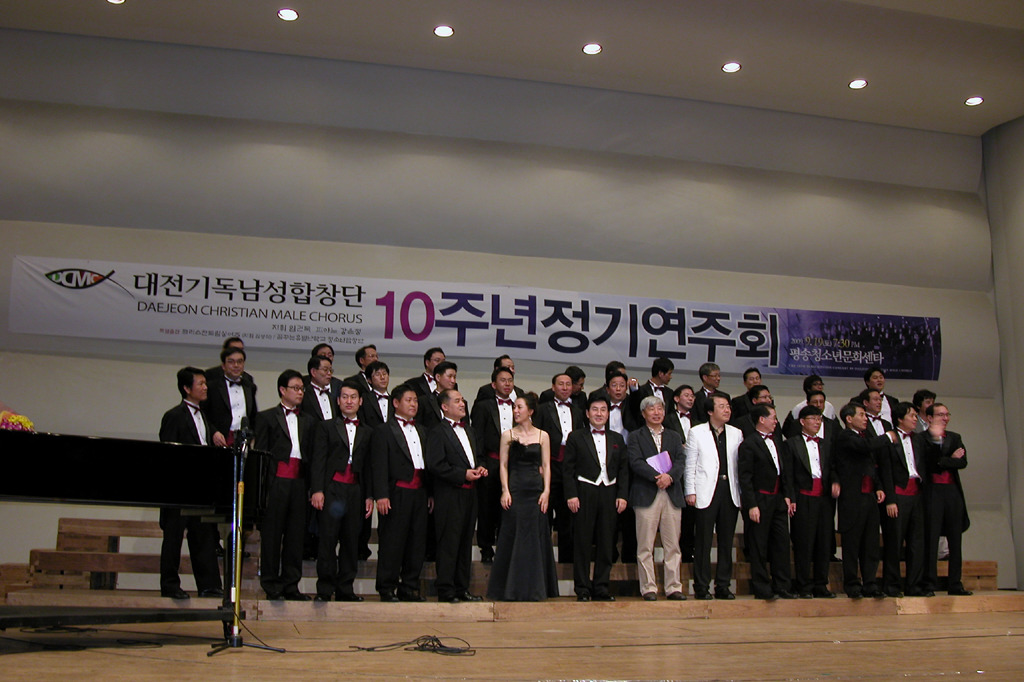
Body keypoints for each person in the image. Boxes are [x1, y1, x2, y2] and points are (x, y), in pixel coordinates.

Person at [157, 367, 223, 600]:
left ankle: (209, 585)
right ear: (186, 388)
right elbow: (167, 454)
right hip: (179, 488)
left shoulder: (204, 416)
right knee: (173, 538)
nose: (205, 387)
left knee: (203, 535)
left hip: (201, 488)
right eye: (200, 384)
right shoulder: (174, 416)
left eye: (206, 383)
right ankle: (170, 585)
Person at [487, 392, 560, 601]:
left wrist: (546, 491)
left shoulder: (542, 435)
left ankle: (536, 588)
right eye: (514, 407)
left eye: (519, 407)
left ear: (531, 411)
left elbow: (546, 465)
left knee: (535, 536)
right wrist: (505, 490)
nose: (515, 411)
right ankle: (510, 588)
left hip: (536, 490)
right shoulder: (508, 435)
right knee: (513, 534)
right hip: (516, 489)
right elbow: (503, 465)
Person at [254, 370, 314, 600]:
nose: (300, 392)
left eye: (302, 389)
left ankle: (291, 584)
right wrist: (263, 490)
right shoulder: (267, 417)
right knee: (272, 535)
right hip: (276, 482)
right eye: (295, 388)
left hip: (299, 482)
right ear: (282, 390)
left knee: (296, 535)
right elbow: (261, 455)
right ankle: (271, 584)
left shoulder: (308, 420)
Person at [310, 381, 372, 601]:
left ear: (360, 401)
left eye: (353, 397)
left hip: (355, 490)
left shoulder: (367, 431)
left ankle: (346, 588)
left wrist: (369, 495)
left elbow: (369, 467)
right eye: (344, 397)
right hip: (332, 488)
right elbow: (318, 460)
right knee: (327, 539)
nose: (349, 401)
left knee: (351, 540)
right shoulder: (326, 427)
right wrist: (317, 490)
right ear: (337, 400)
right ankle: (325, 589)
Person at [564, 395, 629, 601]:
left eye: (603, 410)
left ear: (608, 414)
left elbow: (623, 470)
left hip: (610, 492)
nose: (599, 414)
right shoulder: (576, 437)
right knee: (582, 542)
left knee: (607, 542)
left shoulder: (617, 438)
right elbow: (568, 470)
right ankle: (582, 589)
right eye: (595, 409)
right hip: (585, 491)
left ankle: (601, 588)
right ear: (587, 413)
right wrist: (571, 494)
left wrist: (622, 495)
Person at [426, 389, 488, 603]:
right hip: (449, 494)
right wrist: (463, 474)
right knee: (449, 543)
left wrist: (481, 467)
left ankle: (462, 588)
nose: (462, 404)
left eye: (463, 400)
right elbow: (436, 465)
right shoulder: (437, 431)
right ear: (444, 407)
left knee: (464, 542)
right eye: (457, 401)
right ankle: (446, 589)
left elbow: (478, 456)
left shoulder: (469, 430)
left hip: (470, 494)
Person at [372, 384, 430, 602]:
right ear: (395, 403)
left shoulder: (422, 430)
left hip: (420, 492)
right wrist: (381, 495)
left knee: (417, 542)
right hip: (396, 492)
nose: (413, 404)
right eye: (409, 400)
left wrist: (430, 493)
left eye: (415, 400)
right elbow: (378, 465)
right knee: (392, 541)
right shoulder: (384, 430)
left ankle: (409, 586)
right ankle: (387, 586)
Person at [833, 401, 895, 599]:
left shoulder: (865, 436)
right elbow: (864, 447)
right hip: (852, 498)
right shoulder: (845, 436)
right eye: (861, 414)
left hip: (869, 497)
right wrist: (887, 436)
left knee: (871, 543)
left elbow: (871, 466)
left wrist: (879, 487)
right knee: (852, 544)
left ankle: (870, 583)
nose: (865, 418)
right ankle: (852, 584)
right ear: (849, 419)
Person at [627, 395, 687, 601]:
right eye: (651, 409)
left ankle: (673, 587)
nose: (657, 412)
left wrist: (669, 477)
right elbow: (635, 462)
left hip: (671, 493)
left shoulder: (674, 436)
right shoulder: (635, 436)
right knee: (645, 545)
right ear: (643, 413)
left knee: (673, 545)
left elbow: (681, 461)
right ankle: (648, 588)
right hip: (646, 493)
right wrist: (657, 477)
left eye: (660, 408)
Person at [684, 392, 742, 600]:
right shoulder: (697, 432)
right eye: (721, 406)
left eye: (728, 406)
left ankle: (723, 586)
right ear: (710, 411)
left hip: (729, 490)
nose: (727, 410)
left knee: (726, 541)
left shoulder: (736, 433)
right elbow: (690, 464)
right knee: (703, 541)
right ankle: (701, 586)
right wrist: (690, 491)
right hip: (705, 490)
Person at [738, 405, 795, 600]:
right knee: (759, 545)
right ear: (761, 419)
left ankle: (783, 585)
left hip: (778, 498)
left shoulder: (777, 441)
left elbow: (784, 471)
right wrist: (751, 504)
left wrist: (787, 495)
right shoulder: (749, 444)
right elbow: (745, 477)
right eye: (773, 418)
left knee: (781, 543)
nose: (776, 422)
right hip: (759, 499)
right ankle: (762, 587)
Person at [783, 405, 839, 598]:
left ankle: (821, 584)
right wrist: (791, 497)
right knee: (804, 543)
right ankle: (803, 585)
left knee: (824, 542)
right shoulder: (791, 444)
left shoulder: (826, 444)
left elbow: (833, 468)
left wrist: (835, 482)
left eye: (819, 419)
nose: (817, 422)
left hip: (824, 498)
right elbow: (788, 474)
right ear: (802, 421)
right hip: (803, 497)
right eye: (813, 419)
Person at [533, 372, 586, 564]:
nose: (565, 388)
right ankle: (542, 559)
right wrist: (538, 464)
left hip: (570, 467)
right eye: (561, 384)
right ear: (553, 387)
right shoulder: (542, 409)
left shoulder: (579, 411)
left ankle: (566, 561)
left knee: (568, 515)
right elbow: (536, 437)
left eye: (568, 384)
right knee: (544, 513)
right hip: (549, 465)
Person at [920, 403, 972, 596]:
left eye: (947, 414)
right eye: (940, 414)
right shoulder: (922, 438)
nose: (945, 418)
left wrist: (945, 461)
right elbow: (931, 463)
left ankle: (955, 583)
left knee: (955, 539)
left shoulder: (954, 437)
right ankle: (929, 583)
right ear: (929, 418)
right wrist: (949, 458)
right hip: (932, 491)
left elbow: (962, 462)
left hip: (952, 492)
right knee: (931, 538)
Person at [879, 402, 927, 598]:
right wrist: (890, 499)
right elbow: (885, 471)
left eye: (916, 415)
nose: (915, 419)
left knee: (916, 543)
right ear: (900, 419)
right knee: (894, 542)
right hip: (898, 495)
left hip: (917, 495)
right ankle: (891, 585)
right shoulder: (889, 438)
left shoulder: (919, 440)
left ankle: (914, 585)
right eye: (912, 416)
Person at [470, 365, 517, 563]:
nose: (507, 384)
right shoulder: (483, 406)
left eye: (510, 380)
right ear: (493, 384)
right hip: (490, 462)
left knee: (510, 508)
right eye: (503, 380)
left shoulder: (518, 405)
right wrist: (480, 462)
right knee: (487, 507)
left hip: (514, 464)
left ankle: (506, 548)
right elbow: (477, 437)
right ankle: (486, 548)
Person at [203, 346, 258, 448]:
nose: (236, 365)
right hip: (220, 439)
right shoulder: (212, 387)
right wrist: (213, 432)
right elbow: (203, 414)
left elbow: (253, 415)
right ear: (223, 366)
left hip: (243, 440)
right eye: (231, 362)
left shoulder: (250, 387)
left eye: (240, 362)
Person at [627, 357, 674, 426]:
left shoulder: (670, 392)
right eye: (669, 373)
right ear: (661, 374)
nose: (671, 377)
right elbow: (634, 409)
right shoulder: (641, 391)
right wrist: (633, 388)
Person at [359, 360, 393, 430]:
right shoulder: (364, 399)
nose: (382, 377)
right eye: (377, 374)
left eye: (384, 374)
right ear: (369, 380)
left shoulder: (394, 400)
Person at [303, 355, 337, 421]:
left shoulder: (333, 397)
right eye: (325, 370)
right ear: (313, 372)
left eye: (330, 370)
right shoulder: (304, 395)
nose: (329, 373)